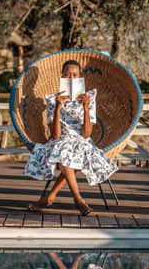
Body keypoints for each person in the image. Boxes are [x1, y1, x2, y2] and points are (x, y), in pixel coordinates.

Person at [25, 59, 118, 216]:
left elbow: (86, 134)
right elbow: (55, 135)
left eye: (75, 75)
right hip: (60, 141)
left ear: (80, 77)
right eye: (67, 75)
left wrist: (86, 108)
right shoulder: (53, 100)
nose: (71, 78)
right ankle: (78, 200)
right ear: (62, 76)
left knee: (69, 154)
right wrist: (58, 107)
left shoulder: (88, 98)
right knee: (65, 151)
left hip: (81, 141)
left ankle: (50, 198)